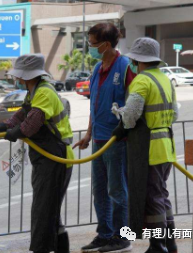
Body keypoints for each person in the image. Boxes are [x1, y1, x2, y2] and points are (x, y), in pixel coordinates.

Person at [0, 54, 74, 253]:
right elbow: (18, 118)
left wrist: (10, 134)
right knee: (49, 213)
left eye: (19, 76)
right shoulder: (33, 92)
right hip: (46, 158)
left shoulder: (44, 93)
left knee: (44, 212)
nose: (16, 79)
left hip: (56, 158)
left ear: (27, 76)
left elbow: (30, 125)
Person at [112, 37, 178, 253]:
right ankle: (170, 243)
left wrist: (123, 124)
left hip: (149, 149)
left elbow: (130, 116)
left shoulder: (141, 81)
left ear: (137, 60)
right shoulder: (166, 79)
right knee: (161, 195)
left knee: (152, 198)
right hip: (166, 146)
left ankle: (158, 247)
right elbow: (175, 113)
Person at [73, 23, 135, 252]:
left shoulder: (125, 67)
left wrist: (124, 130)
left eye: (92, 44)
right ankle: (105, 234)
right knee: (100, 191)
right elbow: (95, 105)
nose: (89, 48)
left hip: (117, 141)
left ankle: (123, 237)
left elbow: (134, 106)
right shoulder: (98, 69)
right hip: (99, 140)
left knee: (117, 190)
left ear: (106, 44)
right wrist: (88, 134)